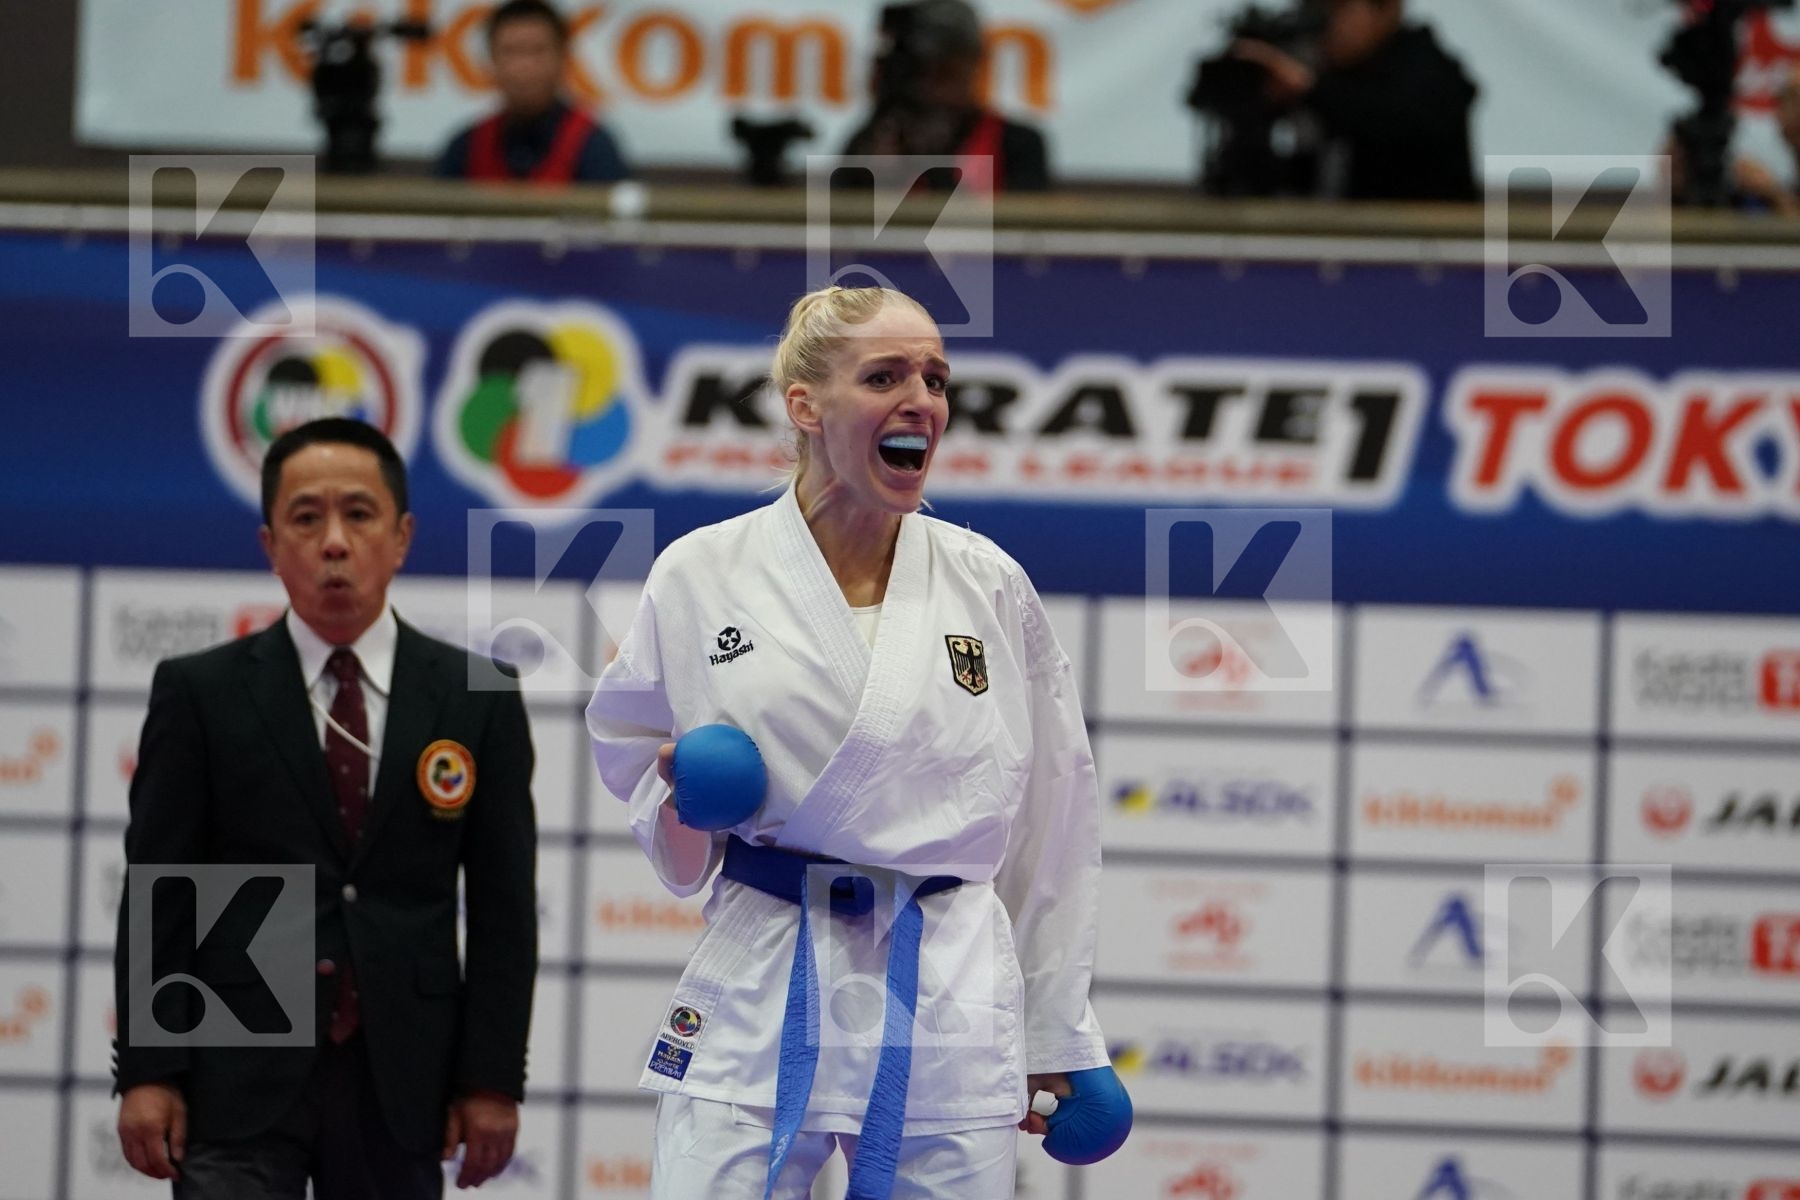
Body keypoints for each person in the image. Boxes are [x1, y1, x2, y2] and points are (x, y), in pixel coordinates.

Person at [586, 286, 1114, 1198]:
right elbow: (642, 771)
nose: (923, 400)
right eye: (885, 376)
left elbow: (1052, 818)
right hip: (767, 970)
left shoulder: (987, 584)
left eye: (937, 379)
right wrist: (683, 800)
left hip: (944, 981)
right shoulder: (703, 574)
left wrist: (1059, 1031)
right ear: (806, 405)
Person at [112, 419, 538, 1199]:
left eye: (360, 514)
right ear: (271, 543)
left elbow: (506, 908)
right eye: (307, 518)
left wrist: (491, 1080)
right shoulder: (199, 691)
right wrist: (148, 1070)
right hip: (232, 1066)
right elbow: (159, 889)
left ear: (402, 536)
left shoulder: (477, 698)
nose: (334, 542)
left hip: (402, 1075)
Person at [1235, 0, 1478, 201]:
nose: (1327, 25)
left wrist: (1310, 89)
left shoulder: (1427, 71)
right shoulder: (1339, 76)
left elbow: (1388, 122)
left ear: (1386, 9)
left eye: (1338, 9)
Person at [839, 0, 1052, 193]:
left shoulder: (1016, 144)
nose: (931, 82)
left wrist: (933, 165)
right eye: (919, 69)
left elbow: (1023, 228)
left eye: (946, 71)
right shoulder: (876, 141)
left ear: (974, 63)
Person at [437, 0, 629, 185]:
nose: (525, 67)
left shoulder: (593, 147)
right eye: (511, 52)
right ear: (492, 60)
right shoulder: (466, 149)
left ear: (563, 58)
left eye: (537, 51)